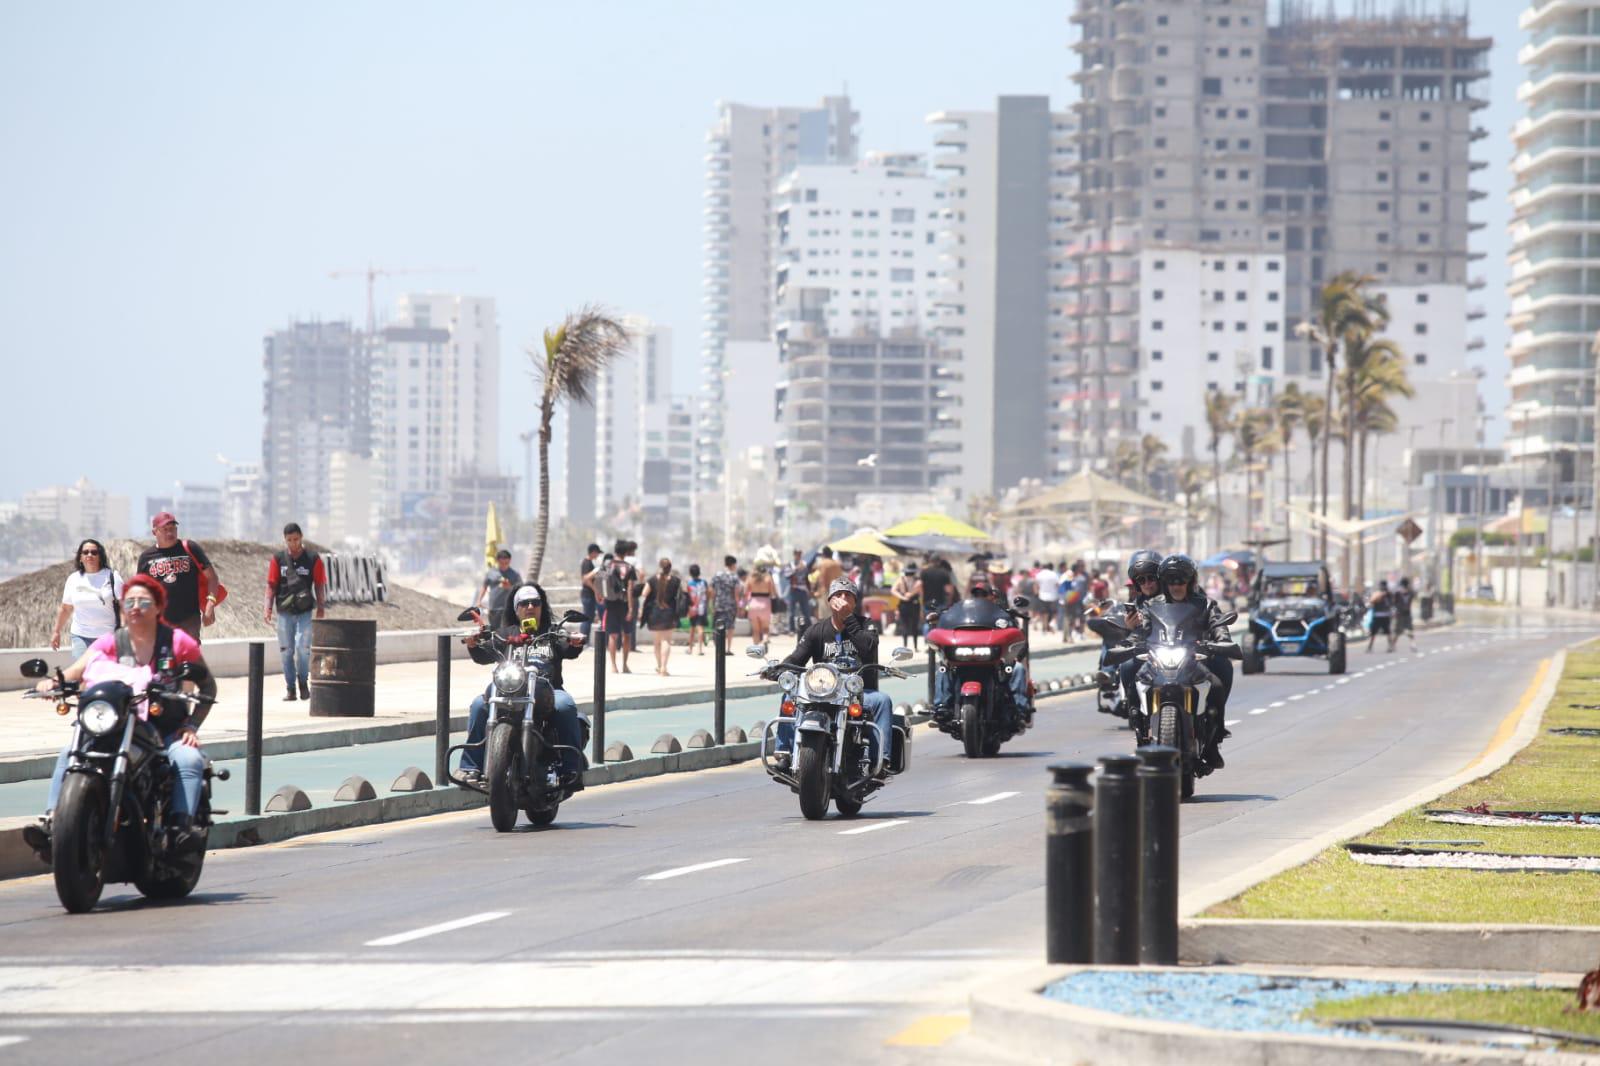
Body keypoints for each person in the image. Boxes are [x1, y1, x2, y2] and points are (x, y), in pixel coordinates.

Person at [23, 573, 218, 863]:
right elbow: (76, 670)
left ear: (158, 607)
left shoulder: (178, 642)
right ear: (122, 608)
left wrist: (191, 725)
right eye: (130, 602)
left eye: (144, 602)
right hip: (117, 726)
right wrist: (53, 682)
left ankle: (181, 829)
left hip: (164, 730)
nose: (136, 607)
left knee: (188, 759)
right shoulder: (111, 642)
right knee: (69, 753)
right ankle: (54, 823)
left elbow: (208, 686)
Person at [458, 583, 585, 788]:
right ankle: (470, 767)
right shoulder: (505, 633)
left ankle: (571, 769)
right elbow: (484, 655)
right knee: (478, 705)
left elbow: (568, 648)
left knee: (565, 705)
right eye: (524, 603)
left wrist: (574, 643)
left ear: (542, 607)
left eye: (535, 602)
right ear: (516, 609)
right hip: (509, 689)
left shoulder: (552, 633)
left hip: (548, 690)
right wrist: (474, 644)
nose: (530, 607)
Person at [768, 578, 894, 772]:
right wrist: (779, 669)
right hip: (821, 693)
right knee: (789, 696)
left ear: (855, 602)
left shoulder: (865, 625)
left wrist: (849, 619)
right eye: (838, 595)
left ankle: (880, 762)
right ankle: (785, 753)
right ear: (829, 600)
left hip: (857, 695)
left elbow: (868, 648)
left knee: (883, 701)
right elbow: (797, 657)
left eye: (848, 596)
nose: (842, 599)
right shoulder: (816, 630)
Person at [1140, 553, 1236, 769]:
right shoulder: (1151, 605)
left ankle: (1213, 740)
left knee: (1218, 684)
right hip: (1160, 659)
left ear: (1190, 582)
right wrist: (1132, 637)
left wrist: (1221, 639)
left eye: (1181, 580)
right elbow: (1141, 630)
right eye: (1171, 581)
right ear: (1164, 583)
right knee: (1134, 679)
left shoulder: (1206, 604)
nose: (1176, 586)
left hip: (1194, 660)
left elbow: (1218, 625)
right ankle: (1140, 732)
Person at [928, 579, 1032, 719]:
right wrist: (941, 616)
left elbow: (1018, 640)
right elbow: (948, 624)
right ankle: (941, 706)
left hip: (996, 659)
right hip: (965, 656)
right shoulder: (963, 614)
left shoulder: (1002, 614)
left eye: (984, 594)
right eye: (977, 594)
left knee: (1017, 668)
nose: (980, 597)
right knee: (943, 668)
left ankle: (1020, 708)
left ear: (992, 596)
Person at [264, 522, 328, 702]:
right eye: (289, 540)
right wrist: (267, 607)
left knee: (303, 648)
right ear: (285, 540)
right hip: (284, 612)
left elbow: (320, 583)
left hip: (305, 612)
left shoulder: (312, 558)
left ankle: (303, 682)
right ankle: (290, 688)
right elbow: (271, 584)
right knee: (286, 651)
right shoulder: (278, 559)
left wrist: (321, 606)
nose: (293, 543)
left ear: (302, 538)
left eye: (296, 539)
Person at [137, 511, 221, 643]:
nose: (170, 533)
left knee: (188, 661)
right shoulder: (146, 558)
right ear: (154, 532)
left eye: (172, 529)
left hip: (189, 620)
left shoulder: (190, 548)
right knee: (164, 661)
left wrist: (210, 605)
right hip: (160, 622)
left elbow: (212, 578)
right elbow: (140, 591)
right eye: (165, 529)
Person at [1110, 549, 1163, 717]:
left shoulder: (1175, 599)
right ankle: (1135, 713)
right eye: (1142, 580)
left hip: (1178, 650)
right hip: (1149, 654)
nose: (1147, 583)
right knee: (1127, 666)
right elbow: (1133, 636)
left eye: (1151, 578)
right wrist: (1129, 628)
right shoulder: (1136, 605)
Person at [51, 539, 124, 657]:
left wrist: (124, 632)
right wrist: (56, 632)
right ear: (80, 557)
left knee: (103, 672)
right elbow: (66, 609)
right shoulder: (73, 579)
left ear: (100, 556)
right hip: (81, 636)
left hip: (107, 636)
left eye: (94, 552)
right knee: (82, 671)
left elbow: (123, 607)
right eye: (85, 552)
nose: (89, 555)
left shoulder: (112, 576)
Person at [596, 542, 637, 674]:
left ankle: (613, 666)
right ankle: (624, 665)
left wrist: (600, 596)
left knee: (612, 636)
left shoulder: (607, 565)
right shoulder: (629, 567)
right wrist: (631, 608)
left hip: (610, 603)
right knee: (627, 635)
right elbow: (630, 589)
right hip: (624, 604)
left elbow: (598, 581)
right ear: (626, 553)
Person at [643, 558, 683, 676]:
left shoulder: (652, 580)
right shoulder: (676, 581)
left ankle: (659, 665)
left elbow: (644, 593)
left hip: (654, 614)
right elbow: (682, 594)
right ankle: (664, 668)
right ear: (670, 568)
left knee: (656, 643)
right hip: (669, 614)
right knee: (666, 641)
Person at [711, 555, 742, 654]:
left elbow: (712, 590)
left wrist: (712, 603)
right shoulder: (734, 577)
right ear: (733, 564)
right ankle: (728, 648)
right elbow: (736, 593)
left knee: (718, 626)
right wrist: (738, 606)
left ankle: (719, 647)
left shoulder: (717, 575)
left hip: (719, 604)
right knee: (730, 627)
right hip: (730, 606)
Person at [744, 563, 778, 648]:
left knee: (755, 630)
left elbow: (745, 592)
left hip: (753, 604)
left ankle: (756, 649)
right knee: (765, 629)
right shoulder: (768, 578)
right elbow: (773, 592)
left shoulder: (750, 577)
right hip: (765, 604)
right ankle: (765, 640)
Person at [782, 549, 813, 635]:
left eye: (799, 554)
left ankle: (809, 629)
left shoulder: (805, 564)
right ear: (794, 555)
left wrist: (809, 590)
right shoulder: (790, 565)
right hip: (794, 590)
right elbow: (786, 575)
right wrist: (795, 569)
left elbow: (807, 578)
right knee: (791, 612)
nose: (798, 556)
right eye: (797, 554)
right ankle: (791, 629)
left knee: (806, 612)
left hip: (803, 591)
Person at [892, 563, 922, 651]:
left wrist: (902, 597)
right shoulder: (918, 581)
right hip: (914, 604)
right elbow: (920, 592)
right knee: (914, 626)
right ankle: (915, 647)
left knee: (905, 625)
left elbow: (893, 590)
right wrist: (910, 595)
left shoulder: (900, 580)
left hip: (904, 604)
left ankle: (905, 646)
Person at [577, 543, 602, 639]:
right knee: (587, 618)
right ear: (593, 552)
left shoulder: (589, 562)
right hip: (587, 595)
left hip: (589, 595)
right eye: (597, 553)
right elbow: (585, 579)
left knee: (589, 618)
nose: (598, 555)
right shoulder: (586, 563)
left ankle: (585, 640)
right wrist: (595, 590)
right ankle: (584, 641)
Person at [685, 563, 709, 655]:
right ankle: (700, 649)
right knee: (700, 628)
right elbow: (707, 594)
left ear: (690, 573)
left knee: (692, 628)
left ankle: (690, 649)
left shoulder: (689, 583)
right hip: (702, 607)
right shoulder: (704, 582)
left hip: (692, 608)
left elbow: (687, 596)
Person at [1366, 579, 1394, 653]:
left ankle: (1391, 646)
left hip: (1385, 615)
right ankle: (1370, 647)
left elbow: (1392, 603)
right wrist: (1380, 595)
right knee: (1373, 633)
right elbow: (1372, 601)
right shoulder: (1377, 593)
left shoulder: (1389, 594)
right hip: (1377, 615)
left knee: (1388, 632)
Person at [1392, 576, 1418, 652]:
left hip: (1407, 614)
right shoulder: (1398, 593)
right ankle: (1393, 645)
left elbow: (1414, 594)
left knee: (1409, 630)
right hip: (1400, 614)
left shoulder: (1410, 593)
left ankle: (1413, 644)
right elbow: (1394, 603)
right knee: (1397, 632)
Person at [1034, 560, 1059, 634]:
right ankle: (1051, 625)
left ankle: (1044, 628)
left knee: (1044, 613)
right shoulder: (1054, 574)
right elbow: (1057, 585)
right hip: (1053, 596)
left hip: (1042, 596)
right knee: (1054, 613)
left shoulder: (1039, 574)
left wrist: (1036, 593)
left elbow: (1036, 584)